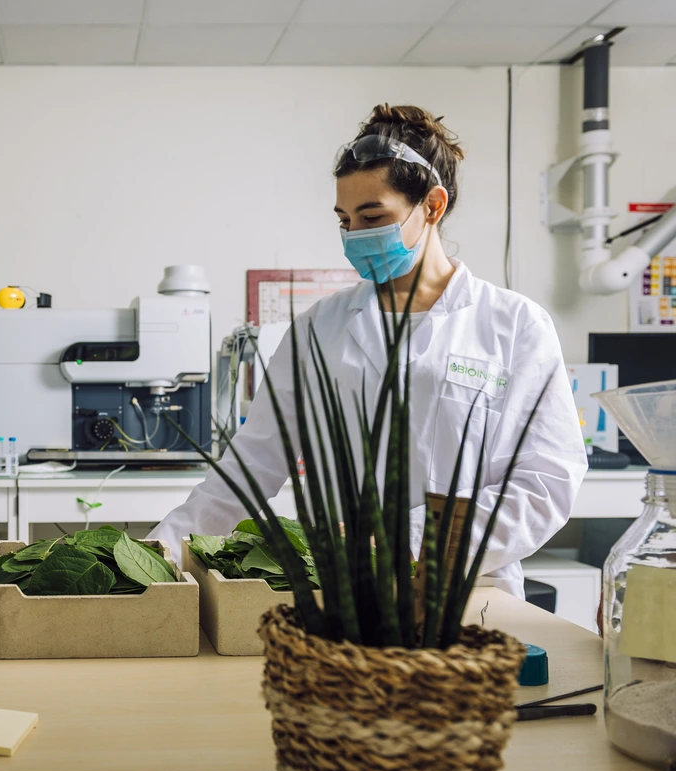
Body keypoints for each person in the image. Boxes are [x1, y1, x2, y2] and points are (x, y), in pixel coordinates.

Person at [150, 105, 587, 598]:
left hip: (470, 591)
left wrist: (401, 540)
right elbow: (250, 468)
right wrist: (157, 554)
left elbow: (543, 485)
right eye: (345, 220)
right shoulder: (319, 329)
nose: (355, 235)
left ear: (432, 206)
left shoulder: (514, 326)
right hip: (344, 591)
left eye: (373, 216)